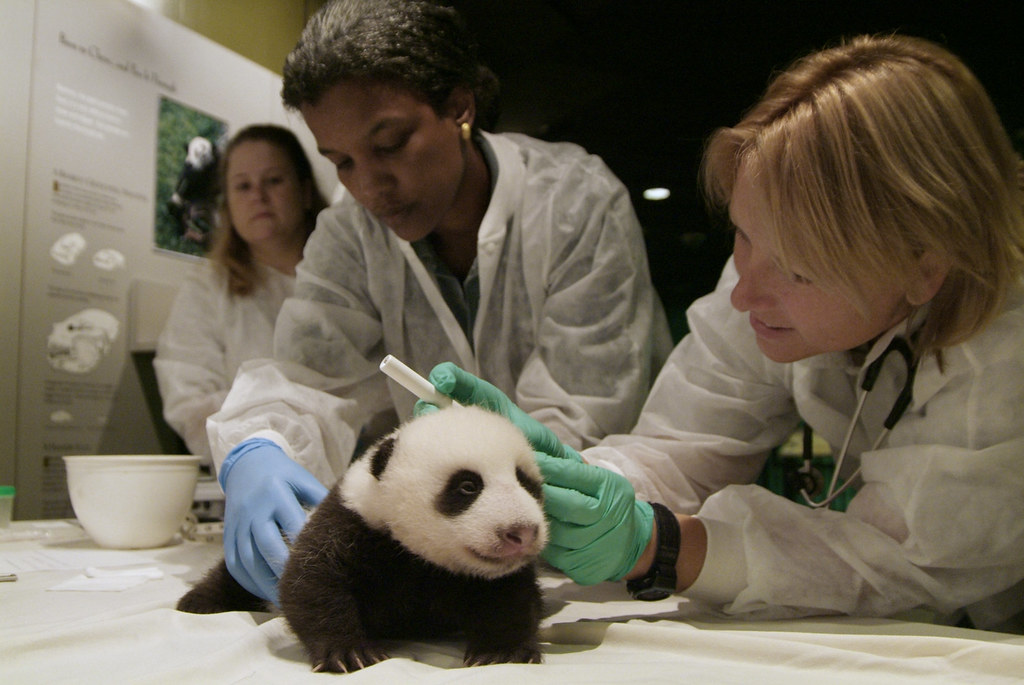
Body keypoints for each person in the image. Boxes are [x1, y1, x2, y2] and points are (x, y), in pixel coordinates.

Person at [426, 34, 1024, 632]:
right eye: (743, 236)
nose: (742, 294)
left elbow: (904, 557)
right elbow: (683, 449)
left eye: (797, 268)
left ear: (925, 265)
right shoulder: (771, 268)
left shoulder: (1008, 351)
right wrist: (560, 481)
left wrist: (660, 546)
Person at [208, 0, 671, 604]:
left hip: (596, 558)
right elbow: (306, 378)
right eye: (341, 161)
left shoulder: (576, 204)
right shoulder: (351, 235)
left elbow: (578, 422)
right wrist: (259, 448)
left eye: (391, 143)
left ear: (459, 107)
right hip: (446, 549)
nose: (369, 186)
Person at [155, 124, 329, 464]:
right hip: (255, 472)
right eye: (243, 185)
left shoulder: (349, 280)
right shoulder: (208, 288)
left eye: (274, 180)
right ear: (228, 204)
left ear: (305, 190)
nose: (258, 196)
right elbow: (190, 407)